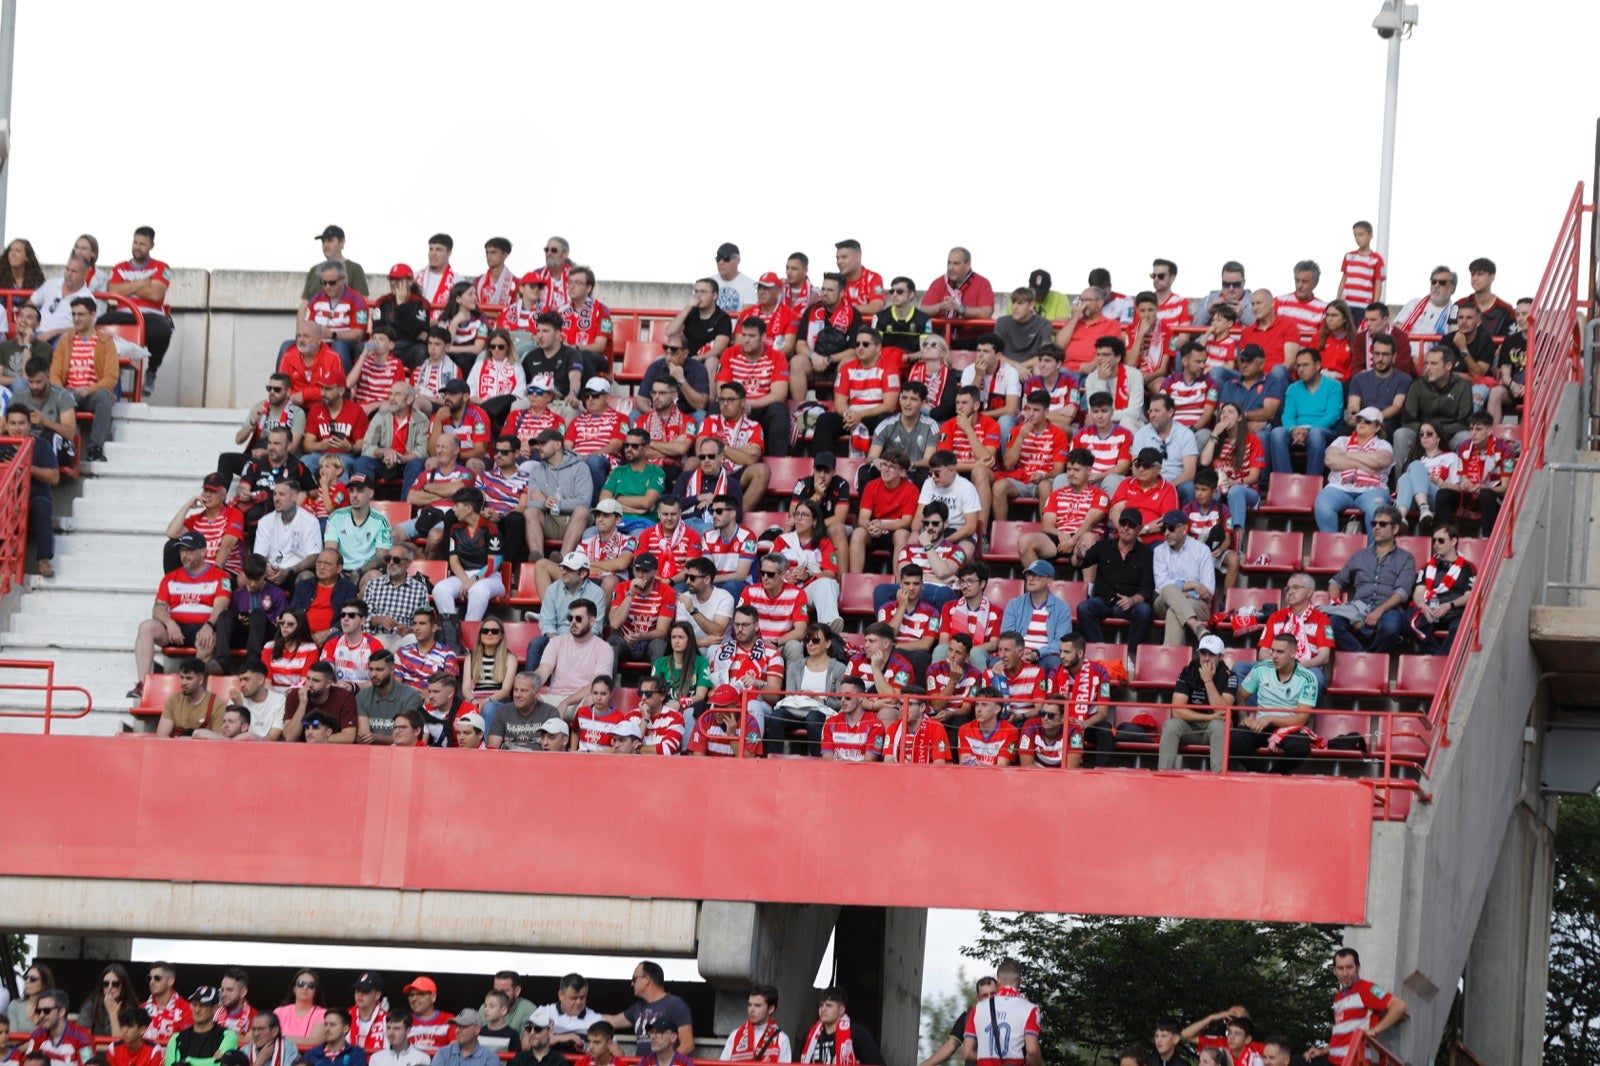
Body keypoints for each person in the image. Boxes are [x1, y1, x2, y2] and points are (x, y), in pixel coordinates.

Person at [1326, 506, 1416, 653]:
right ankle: (1362, 655)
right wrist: (1337, 605)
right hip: (1358, 606)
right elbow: (1335, 582)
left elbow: (1402, 592)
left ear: (1395, 529)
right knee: (1329, 625)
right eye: (1374, 524)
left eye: (1382, 524)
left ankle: (1370, 657)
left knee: (1391, 629)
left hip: (1388, 608)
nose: (1376, 528)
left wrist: (1379, 611)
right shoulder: (1360, 555)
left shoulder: (1406, 558)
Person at [1303, 949, 1407, 1062]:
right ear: (1334, 970)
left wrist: (1374, 1030)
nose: (1345, 973)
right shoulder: (1338, 997)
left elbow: (1399, 1006)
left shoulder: (1368, 988)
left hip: (1354, 1061)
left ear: (1358, 968)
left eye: (1349, 967)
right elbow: (1343, 1039)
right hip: (1334, 1061)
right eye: (1340, 968)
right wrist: (1322, 1051)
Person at [1233, 634, 1318, 774]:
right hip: (1260, 725)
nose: (1274, 656)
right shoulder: (1261, 669)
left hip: (1288, 728)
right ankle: (1260, 774)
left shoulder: (1308, 678)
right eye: (1272, 650)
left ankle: (1275, 775)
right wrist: (1244, 717)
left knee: (1300, 747)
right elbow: (1241, 696)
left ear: (1292, 653)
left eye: (1280, 652)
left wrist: (1270, 719)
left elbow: (1301, 718)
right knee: (1235, 738)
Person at [48, 296, 118, 462]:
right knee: (59, 397)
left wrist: (89, 389)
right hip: (68, 393)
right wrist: (61, 392)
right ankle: (63, 447)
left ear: (93, 314)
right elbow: (54, 373)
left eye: (81, 314)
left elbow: (111, 377)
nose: (76, 319)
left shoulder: (105, 342)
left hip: (92, 394)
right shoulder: (66, 341)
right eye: (73, 314)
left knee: (105, 396)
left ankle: (95, 448)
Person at [1157, 635, 1238, 771]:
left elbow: (1222, 712)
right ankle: (1163, 775)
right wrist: (1209, 717)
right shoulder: (1188, 671)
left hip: (1213, 728)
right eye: (1203, 653)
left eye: (1211, 654)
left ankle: (1219, 777)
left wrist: (1208, 680)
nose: (1206, 658)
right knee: (1171, 724)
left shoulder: (1230, 676)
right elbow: (1177, 711)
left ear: (1221, 657)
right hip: (1191, 727)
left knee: (1219, 725)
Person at [1077, 511, 1155, 651]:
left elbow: (1147, 587)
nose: (1126, 528)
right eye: (1123, 523)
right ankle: (1100, 651)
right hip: (1103, 601)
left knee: (1145, 611)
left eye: (1131, 525)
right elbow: (1080, 562)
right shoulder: (1103, 546)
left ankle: (1130, 656)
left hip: (1129, 604)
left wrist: (1132, 600)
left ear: (1139, 528)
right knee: (1084, 608)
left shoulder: (1146, 553)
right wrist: (1078, 554)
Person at [1312, 407, 1394, 534]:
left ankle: (1375, 552)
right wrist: (1365, 465)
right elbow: (1330, 460)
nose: (1361, 423)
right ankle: (1331, 547)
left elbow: (1379, 461)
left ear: (1377, 427)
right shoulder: (1341, 440)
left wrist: (1348, 455)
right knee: (1323, 505)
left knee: (1376, 512)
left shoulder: (1383, 445)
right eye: (1359, 420)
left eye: (1367, 422)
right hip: (1339, 488)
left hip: (1373, 490)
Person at [717, 317, 791, 457]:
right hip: (734, 405)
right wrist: (738, 404)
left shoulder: (777, 357)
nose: (746, 340)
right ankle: (715, 459)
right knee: (715, 407)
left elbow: (779, 395)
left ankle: (777, 462)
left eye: (751, 336)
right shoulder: (729, 354)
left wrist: (751, 404)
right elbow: (721, 389)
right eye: (743, 335)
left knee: (779, 410)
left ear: (763, 337)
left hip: (761, 408)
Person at [0, 405, 59, 577]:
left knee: (41, 504)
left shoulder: (41, 445)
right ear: (6, 425)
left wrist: (27, 468)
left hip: (33, 498)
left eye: (21, 423)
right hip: (6, 499)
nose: (17, 428)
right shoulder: (1, 444)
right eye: (12, 423)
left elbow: (54, 477)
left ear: (29, 425)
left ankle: (44, 560)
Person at [992, 390, 1069, 520]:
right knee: (999, 487)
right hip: (1021, 479)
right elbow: (1008, 464)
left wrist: (1044, 476)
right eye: (1029, 409)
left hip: (1044, 480)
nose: (1031, 414)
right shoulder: (1017, 431)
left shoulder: (1058, 434)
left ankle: (1046, 532)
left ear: (1046, 412)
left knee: (1045, 487)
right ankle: (1000, 533)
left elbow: (1059, 469)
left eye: (1036, 410)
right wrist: (1021, 438)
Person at [533, 599, 617, 719]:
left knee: (594, 700)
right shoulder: (556, 642)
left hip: (581, 701)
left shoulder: (604, 648)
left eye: (578, 619)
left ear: (592, 621)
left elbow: (597, 685)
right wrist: (531, 685)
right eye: (570, 618)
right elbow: (543, 671)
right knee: (528, 697)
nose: (573, 622)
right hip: (553, 699)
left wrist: (566, 702)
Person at [522, 428, 596, 562]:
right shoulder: (536, 470)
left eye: (543, 443)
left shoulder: (580, 467)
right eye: (537, 444)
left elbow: (583, 501)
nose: (538, 447)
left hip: (576, 521)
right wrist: (544, 503)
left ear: (557, 445)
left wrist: (555, 504)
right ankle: (537, 560)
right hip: (550, 521)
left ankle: (562, 559)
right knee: (530, 512)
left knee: (581, 510)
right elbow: (530, 503)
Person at [1269, 349, 1344, 476]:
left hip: (1323, 431)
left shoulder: (1334, 386)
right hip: (1297, 430)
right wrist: (1293, 429)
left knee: (1316, 434)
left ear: (1318, 366)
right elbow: (1287, 415)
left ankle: (1312, 482)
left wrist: (1308, 430)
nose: (1301, 369)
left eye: (1305, 365)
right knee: (1277, 433)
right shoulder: (1293, 388)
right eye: (1298, 366)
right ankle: (1283, 482)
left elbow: (1333, 415)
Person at [1393, 347, 1473, 464]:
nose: (1428, 368)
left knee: (1465, 437)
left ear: (1448, 366)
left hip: (1449, 437)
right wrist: (1427, 433)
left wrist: (1438, 432)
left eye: (1434, 363)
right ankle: (1400, 481)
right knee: (1400, 434)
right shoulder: (1417, 384)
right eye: (1426, 363)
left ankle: (1461, 480)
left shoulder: (1462, 386)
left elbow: (1464, 423)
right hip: (1421, 436)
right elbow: (1408, 420)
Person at [1409, 522, 1476, 656]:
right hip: (1431, 609)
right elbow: (1418, 592)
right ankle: (1439, 658)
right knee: (1410, 622)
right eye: (1434, 540)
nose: (1436, 544)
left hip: (1454, 611)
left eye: (1441, 540)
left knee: (1460, 627)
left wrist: (1450, 605)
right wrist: (1422, 605)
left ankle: (1438, 660)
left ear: (1453, 541)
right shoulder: (1427, 567)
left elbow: (1469, 596)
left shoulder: (1468, 568)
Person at [599, 962, 694, 1056]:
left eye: (634, 979)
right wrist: (587, 1013)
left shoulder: (676, 1004)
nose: (632, 983)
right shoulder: (637, 1008)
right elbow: (612, 1021)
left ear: (646, 980)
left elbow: (687, 1045)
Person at [961, 958, 1042, 1066]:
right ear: (1020, 982)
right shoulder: (1030, 1009)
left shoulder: (977, 1009)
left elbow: (967, 1053)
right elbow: (1032, 1051)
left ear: (998, 981)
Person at [1152, 510, 1216, 645]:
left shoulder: (1202, 550)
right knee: (1168, 590)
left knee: (1173, 610)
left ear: (1185, 528)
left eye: (1171, 528)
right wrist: (1193, 585)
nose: (1166, 533)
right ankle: (1195, 625)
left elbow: (1208, 590)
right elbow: (1160, 587)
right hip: (1163, 602)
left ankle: (1172, 659)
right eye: (1164, 529)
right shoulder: (1159, 551)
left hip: (1198, 604)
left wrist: (1181, 594)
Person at [254, 481, 325, 588]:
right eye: (274, 494)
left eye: (281, 494)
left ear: (294, 497)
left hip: (295, 572)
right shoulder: (265, 521)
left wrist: (289, 571)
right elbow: (259, 555)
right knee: (244, 578)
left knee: (306, 577)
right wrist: (266, 569)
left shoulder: (310, 521)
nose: (276, 499)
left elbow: (313, 557)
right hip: (270, 572)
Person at [798, 989, 882, 1065]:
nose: (823, 1009)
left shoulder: (856, 1033)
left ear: (841, 1010)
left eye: (828, 1005)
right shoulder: (809, 1036)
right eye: (821, 1005)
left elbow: (877, 1063)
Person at [165, 988, 240, 1066]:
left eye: (202, 1005)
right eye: (194, 1004)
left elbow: (222, 1064)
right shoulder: (177, 1038)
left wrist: (188, 1061)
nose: (197, 1010)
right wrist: (210, 1062)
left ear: (215, 1008)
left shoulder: (227, 1036)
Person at [719, 985, 790, 1063]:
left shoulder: (782, 1039)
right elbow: (722, 1063)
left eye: (757, 1006)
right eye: (749, 1005)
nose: (751, 1010)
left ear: (771, 1009)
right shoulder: (735, 1035)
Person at [23, 987, 93, 1066]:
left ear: (61, 1012)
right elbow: (28, 1063)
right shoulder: (37, 1034)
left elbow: (89, 1065)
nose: (41, 1015)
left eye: (46, 1010)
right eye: (39, 1011)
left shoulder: (83, 1037)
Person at [400, 978, 454, 1057]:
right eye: (411, 995)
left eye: (420, 994)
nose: (414, 999)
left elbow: (456, 1052)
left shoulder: (449, 1019)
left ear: (433, 997)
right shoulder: (403, 1020)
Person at [429, 1011, 494, 1066]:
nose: (457, 1031)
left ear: (477, 1030)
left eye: (463, 1026)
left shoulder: (489, 1057)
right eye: (456, 1026)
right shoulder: (442, 1053)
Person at [298, 1013, 363, 1066]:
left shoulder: (356, 1054)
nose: (327, 1029)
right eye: (326, 1024)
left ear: (345, 1029)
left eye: (332, 1025)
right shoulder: (311, 1054)